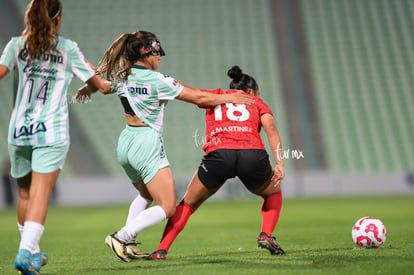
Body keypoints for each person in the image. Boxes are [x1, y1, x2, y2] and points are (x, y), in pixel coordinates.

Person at [75, 30, 255, 263]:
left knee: (145, 194)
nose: (159, 57)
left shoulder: (124, 76)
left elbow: (102, 86)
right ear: (145, 51)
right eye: (156, 52)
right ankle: (122, 236)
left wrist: (84, 69)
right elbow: (198, 98)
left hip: (126, 142)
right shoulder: (158, 80)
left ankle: (127, 243)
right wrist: (231, 98)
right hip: (146, 143)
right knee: (168, 206)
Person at [0, 0, 114, 273]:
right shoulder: (68, 49)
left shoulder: (16, 45)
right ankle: (25, 252)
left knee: (25, 195)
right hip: (50, 131)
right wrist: (98, 83)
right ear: (58, 20)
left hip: (19, 131)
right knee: (40, 195)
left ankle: (33, 254)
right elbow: (102, 86)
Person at [148, 65, 285, 260]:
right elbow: (271, 130)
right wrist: (280, 163)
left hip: (219, 154)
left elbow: (195, 95)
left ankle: (161, 250)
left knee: (188, 204)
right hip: (252, 154)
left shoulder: (217, 96)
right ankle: (266, 234)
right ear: (252, 91)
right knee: (273, 192)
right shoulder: (257, 101)